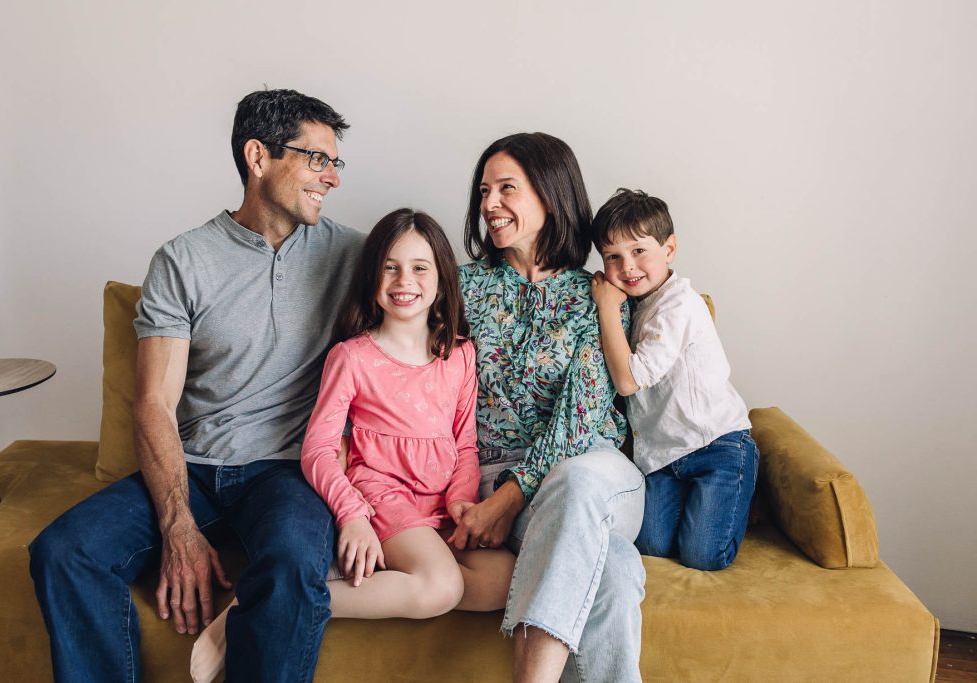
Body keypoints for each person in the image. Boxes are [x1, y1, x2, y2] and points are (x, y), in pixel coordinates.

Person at [28, 88, 364, 683]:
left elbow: (428, 293)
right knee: (64, 551)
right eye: (318, 159)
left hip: (289, 471)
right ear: (258, 157)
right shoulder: (182, 261)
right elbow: (154, 400)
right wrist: (177, 523)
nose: (333, 178)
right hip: (196, 467)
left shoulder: (354, 256)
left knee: (291, 561)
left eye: (337, 162)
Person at [190, 208, 515, 683]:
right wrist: (353, 515)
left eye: (420, 267)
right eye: (390, 266)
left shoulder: (460, 354)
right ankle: (270, 602)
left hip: (439, 501)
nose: (405, 279)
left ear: (443, 279)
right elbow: (318, 451)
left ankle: (309, 586)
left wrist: (463, 502)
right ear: (372, 277)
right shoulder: (352, 357)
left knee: (503, 578)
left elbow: (464, 445)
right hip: (380, 495)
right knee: (441, 586)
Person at [450, 133, 647, 683]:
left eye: (506, 188)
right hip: (494, 479)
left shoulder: (600, 294)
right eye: (484, 191)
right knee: (613, 568)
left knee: (579, 480)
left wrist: (506, 502)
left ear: (552, 195)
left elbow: (580, 417)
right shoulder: (460, 287)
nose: (489, 204)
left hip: (598, 471)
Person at [590, 188, 758, 571]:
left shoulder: (679, 303)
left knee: (702, 555)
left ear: (669, 249)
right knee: (650, 544)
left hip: (716, 445)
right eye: (612, 257)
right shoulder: (634, 306)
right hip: (663, 458)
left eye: (638, 251)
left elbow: (629, 381)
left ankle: (737, 488)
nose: (627, 267)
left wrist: (606, 307)